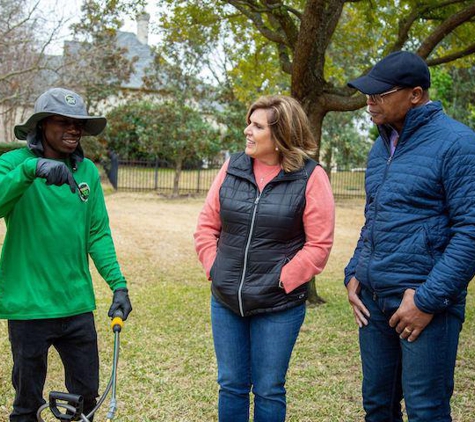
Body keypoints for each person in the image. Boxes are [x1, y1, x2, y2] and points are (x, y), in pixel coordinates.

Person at [344, 51, 475, 421]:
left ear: (415, 94)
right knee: (378, 408)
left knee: (426, 411)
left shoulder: (459, 144)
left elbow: (471, 232)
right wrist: (355, 271)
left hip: (424, 305)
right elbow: (373, 217)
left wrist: (427, 301)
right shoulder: (380, 147)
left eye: (380, 94)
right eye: (368, 93)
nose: (369, 101)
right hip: (373, 303)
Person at [194, 95, 334, 422]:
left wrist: (281, 280)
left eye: (257, 126)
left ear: (281, 133)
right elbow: (206, 225)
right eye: (249, 122)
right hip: (226, 299)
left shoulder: (311, 177)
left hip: (278, 305)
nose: (247, 131)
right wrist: (215, 267)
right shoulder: (233, 166)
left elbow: (319, 245)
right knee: (231, 384)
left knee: (269, 388)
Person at [0, 87, 132, 421]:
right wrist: (33, 170)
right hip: (29, 305)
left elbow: (97, 234)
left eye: (79, 124)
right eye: (63, 122)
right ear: (42, 125)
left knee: (85, 397)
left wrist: (118, 285)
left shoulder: (86, 171)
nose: (74, 129)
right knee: (27, 401)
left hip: (76, 304)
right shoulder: (13, 164)